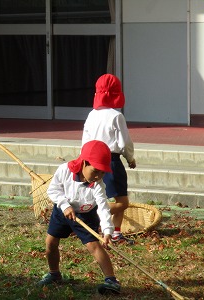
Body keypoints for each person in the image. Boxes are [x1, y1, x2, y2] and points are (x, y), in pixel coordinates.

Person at [38, 140, 121, 295]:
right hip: (63, 211)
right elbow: (53, 190)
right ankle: (54, 273)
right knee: (51, 242)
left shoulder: (98, 185)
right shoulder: (65, 170)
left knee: (94, 246)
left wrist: (107, 230)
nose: (98, 176)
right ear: (84, 163)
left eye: (103, 173)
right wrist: (64, 205)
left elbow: (103, 208)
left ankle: (111, 280)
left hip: (86, 214)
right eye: (96, 171)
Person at [82, 74, 136, 244]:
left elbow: (85, 138)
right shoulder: (116, 116)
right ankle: (90, 216)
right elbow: (124, 141)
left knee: (102, 194)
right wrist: (130, 157)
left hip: (90, 160)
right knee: (122, 201)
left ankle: (115, 233)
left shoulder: (92, 115)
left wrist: (84, 160)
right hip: (111, 161)